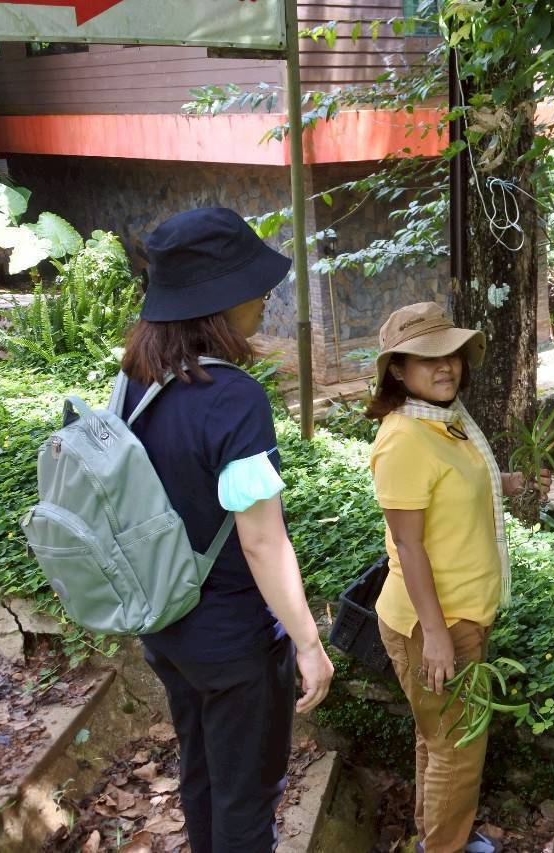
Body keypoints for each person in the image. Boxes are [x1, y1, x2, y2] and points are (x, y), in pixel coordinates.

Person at [120, 207, 334, 852]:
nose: (266, 296)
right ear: (215, 299)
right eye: (253, 284)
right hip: (234, 641)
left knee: (203, 771)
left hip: (165, 623)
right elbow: (261, 540)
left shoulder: (134, 382)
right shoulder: (233, 397)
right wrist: (309, 644)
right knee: (247, 795)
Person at [368, 301, 547, 853]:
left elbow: (452, 491)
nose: (445, 365)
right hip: (435, 622)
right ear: (399, 370)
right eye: (427, 358)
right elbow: (408, 544)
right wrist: (437, 635)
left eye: (451, 353)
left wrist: (507, 483)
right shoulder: (404, 437)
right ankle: (444, 845)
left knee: (439, 738)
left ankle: (435, 835)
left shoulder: (445, 422)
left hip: (463, 614)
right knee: (458, 747)